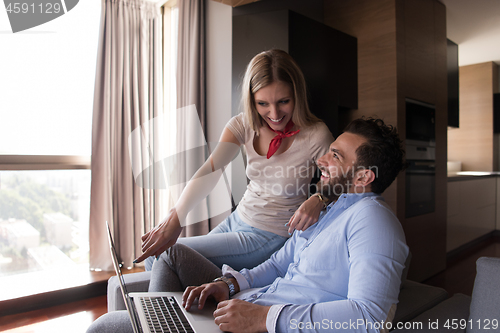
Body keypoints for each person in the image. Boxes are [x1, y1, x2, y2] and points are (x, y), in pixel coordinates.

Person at [87, 117, 409, 333]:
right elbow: (278, 263)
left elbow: (370, 317)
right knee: (158, 284)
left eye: (335, 156)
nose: (321, 160)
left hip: (263, 323)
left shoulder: (374, 223)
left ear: (365, 176)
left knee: (103, 328)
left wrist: (263, 318)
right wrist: (229, 284)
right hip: (249, 306)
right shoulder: (328, 208)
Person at [136, 49, 334, 271]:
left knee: (165, 255)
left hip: (271, 233)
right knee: (160, 251)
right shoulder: (243, 126)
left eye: (283, 101)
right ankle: (162, 306)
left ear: (297, 94)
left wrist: (319, 198)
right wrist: (175, 216)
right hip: (237, 218)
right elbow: (210, 171)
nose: (274, 113)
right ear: (251, 100)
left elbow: (340, 180)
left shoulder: (316, 134)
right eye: (263, 104)